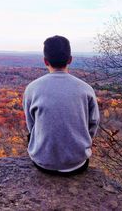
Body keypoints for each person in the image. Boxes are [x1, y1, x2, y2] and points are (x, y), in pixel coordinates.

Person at [23, 35, 100, 175]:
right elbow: (93, 124)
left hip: (42, 162)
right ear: (70, 59)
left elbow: (31, 125)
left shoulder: (32, 89)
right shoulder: (86, 89)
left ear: (45, 61)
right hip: (77, 163)